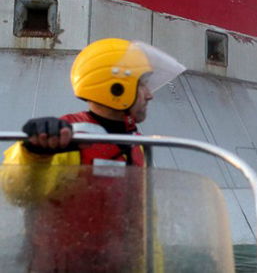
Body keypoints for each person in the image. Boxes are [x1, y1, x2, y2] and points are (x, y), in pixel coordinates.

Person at [1, 38, 185, 272]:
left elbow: (146, 230)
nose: (149, 95)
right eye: (142, 85)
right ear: (116, 88)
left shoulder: (136, 145)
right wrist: (34, 152)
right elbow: (18, 192)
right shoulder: (66, 139)